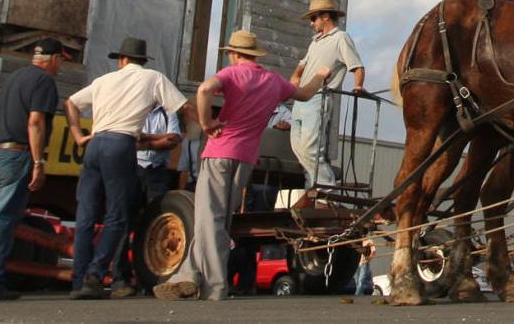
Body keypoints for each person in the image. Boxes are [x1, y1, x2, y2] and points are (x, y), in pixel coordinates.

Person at [156, 30, 331, 301]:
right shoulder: (273, 80)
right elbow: (306, 94)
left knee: (209, 218)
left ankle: (214, 286)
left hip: (219, 152)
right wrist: (320, 74)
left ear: (233, 54)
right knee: (220, 220)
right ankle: (188, 274)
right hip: (246, 158)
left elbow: (203, 90)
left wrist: (205, 124)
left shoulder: (232, 74)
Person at [63, 36, 190, 299]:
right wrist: (210, 125)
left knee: (86, 215)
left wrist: (77, 134)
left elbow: (71, 103)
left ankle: (78, 280)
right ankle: (95, 275)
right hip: (121, 144)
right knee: (117, 216)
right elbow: (183, 106)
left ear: (121, 60)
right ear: (142, 61)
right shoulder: (153, 78)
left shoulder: (103, 81)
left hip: (95, 143)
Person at [0, 38, 70, 302]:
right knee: (4, 221)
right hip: (17, 153)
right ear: (54, 59)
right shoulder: (43, 82)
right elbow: (35, 121)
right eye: (62, 60)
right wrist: (38, 161)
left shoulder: (15, 78)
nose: (61, 66)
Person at [289, 0, 365, 193]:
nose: (311, 23)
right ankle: (312, 188)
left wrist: (358, 86)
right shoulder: (315, 42)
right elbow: (302, 64)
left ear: (325, 17)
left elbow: (356, 65)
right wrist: (296, 76)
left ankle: (326, 192)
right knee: (298, 148)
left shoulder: (341, 38)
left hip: (319, 98)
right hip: (301, 98)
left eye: (314, 18)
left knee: (311, 148)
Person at [109, 102, 181, 296]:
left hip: (157, 172)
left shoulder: (168, 111)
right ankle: (120, 280)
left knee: (157, 228)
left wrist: (145, 141)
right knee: (123, 224)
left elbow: (173, 140)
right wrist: (158, 140)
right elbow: (127, 140)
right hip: (132, 169)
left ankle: (152, 279)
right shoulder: (131, 107)